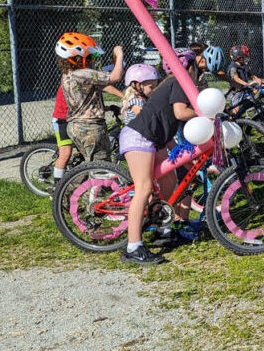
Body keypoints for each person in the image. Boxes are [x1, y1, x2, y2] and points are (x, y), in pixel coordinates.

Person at [118, 49, 199, 265]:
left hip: (155, 139)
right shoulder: (179, 82)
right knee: (144, 187)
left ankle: (163, 228)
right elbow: (181, 113)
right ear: (189, 68)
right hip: (139, 138)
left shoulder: (171, 83)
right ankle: (133, 247)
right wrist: (204, 113)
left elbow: (167, 123)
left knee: (169, 181)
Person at [56, 32, 124, 163]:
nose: (94, 59)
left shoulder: (68, 75)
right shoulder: (83, 74)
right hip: (90, 128)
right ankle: (96, 183)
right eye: (91, 56)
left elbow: (84, 102)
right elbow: (115, 77)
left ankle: (71, 182)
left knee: (89, 164)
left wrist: (107, 107)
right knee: (101, 166)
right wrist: (119, 54)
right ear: (77, 58)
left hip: (77, 125)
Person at [226, 45, 263, 112]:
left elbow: (251, 75)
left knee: (256, 88)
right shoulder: (233, 67)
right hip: (236, 91)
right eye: (244, 57)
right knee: (236, 109)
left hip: (244, 89)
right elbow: (235, 78)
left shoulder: (243, 65)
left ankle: (247, 104)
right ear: (238, 57)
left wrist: (259, 80)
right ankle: (233, 119)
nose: (246, 58)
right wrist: (247, 84)